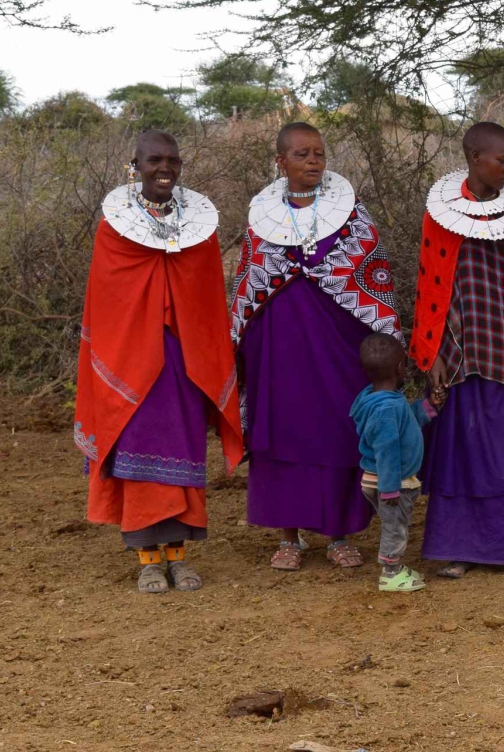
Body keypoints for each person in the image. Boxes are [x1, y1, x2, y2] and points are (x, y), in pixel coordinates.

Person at [75, 130, 244, 593]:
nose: (164, 168)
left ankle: (178, 556)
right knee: (136, 450)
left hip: (183, 361)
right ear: (136, 166)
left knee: (183, 448)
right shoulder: (114, 230)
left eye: (172, 160)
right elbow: (107, 302)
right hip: (130, 362)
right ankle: (148, 561)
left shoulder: (199, 230)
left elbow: (207, 302)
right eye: (154, 160)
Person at [232, 121, 401, 572]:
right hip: (280, 348)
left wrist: (381, 341)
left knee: (339, 432)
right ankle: (289, 537)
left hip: (338, 344)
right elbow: (248, 282)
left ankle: (338, 535)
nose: (312, 161)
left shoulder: (352, 213)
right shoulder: (261, 217)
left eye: (318, 154)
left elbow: (372, 274)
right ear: (280, 161)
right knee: (283, 434)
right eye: (301, 154)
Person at [412, 121, 504, 579]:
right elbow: (428, 284)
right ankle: (459, 547)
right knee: (463, 447)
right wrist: (431, 351)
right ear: (476, 158)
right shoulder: (440, 212)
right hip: (460, 347)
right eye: (503, 160)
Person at [350, 333, 433, 592]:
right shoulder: (387, 408)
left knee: (394, 524)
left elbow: (407, 421)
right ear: (400, 367)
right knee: (395, 527)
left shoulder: (378, 399)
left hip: (379, 479)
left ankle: (394, 568)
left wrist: (429, 407)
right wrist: (390, 489)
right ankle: (390, 574)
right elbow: (387, 450)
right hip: (390, 482)